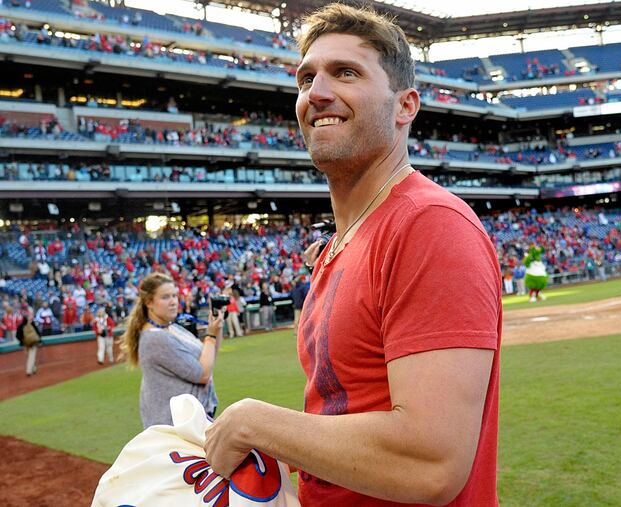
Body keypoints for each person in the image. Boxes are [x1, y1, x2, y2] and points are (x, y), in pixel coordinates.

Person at [204, 5, 502, 506]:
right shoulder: (340, 243)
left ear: (405, 106)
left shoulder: (428, 225)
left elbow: (432, 463)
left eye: (346, 73)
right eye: (305, 79)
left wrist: (256, 422)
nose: (316, 93)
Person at [120, 272, 224, 429]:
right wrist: (210, 335)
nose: (173, 302)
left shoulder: (172, 328)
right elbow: (203, 374)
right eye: (165, 297)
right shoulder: (156, 339)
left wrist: (217, 328)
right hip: (175, 427)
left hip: (191, 421)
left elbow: (209, 357)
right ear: (149, 302)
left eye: (174, 296)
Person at [17, 307, 41, 377]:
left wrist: (22, 341)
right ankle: (29, 370)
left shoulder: (20, 326)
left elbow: (18, 336)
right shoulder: (32, 324)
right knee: (31, 357)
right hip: (33, 343)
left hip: (25, 344)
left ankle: (31, 369)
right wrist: (39, 340)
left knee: (29, 357)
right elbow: (37, 333)